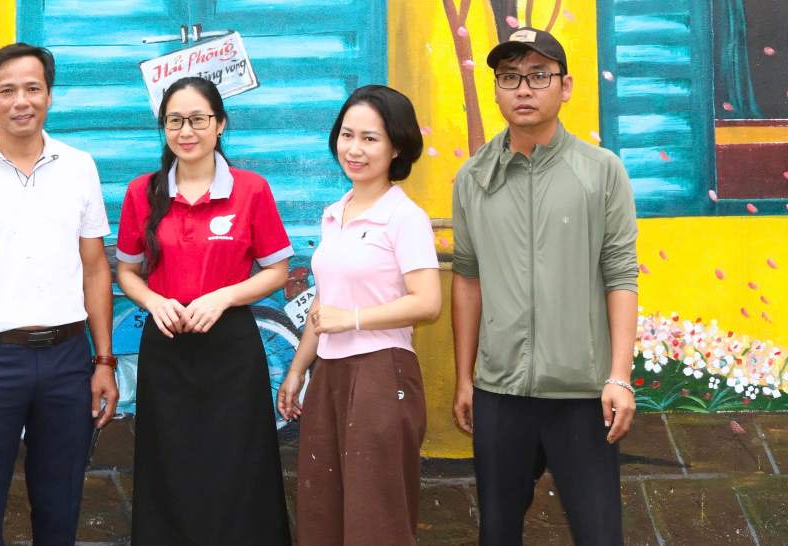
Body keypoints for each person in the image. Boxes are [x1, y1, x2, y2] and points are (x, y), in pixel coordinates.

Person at [0, 43, 118, 546]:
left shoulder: (79, 168)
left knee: (60, 506)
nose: (21, 101)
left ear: (49, 95)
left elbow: (95, 269)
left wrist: (102, 362)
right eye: (7, 90)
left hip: (67, 359)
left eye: (32, 88)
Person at [450, 27, 639, 546]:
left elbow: (621, 274)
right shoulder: (473, 178)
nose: (524, 89)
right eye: (509, 78)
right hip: (501, 392)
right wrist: (466, 379)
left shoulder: (601, 172)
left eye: (538, 76)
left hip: (582, 392)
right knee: (498, 530)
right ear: (496, 90)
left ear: (566, 86)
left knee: (599, 533)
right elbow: (467, 278)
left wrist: (619, 377)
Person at [115, 76, 293, 546]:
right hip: (167, 347)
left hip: (231, 348)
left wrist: (224, 296)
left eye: (198, 119)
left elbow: (277, 270)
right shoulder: (143, 192)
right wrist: (153, 300)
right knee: (168, 464)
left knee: (239, 463)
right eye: (175, 121)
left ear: (220, 125)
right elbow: (127, 272)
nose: (186, 131)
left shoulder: (251, 190)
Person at [277, 84, 442, 546]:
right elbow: (324, 306)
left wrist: (352, 319)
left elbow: (428, 302)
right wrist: (297, 371)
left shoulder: (404, 217)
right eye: (347, 135)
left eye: (370, 138)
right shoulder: (335, 214)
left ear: (396, 147)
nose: (354, 148)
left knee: (376, 516)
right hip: (329, 372)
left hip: (381, 372)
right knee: (322, 506)